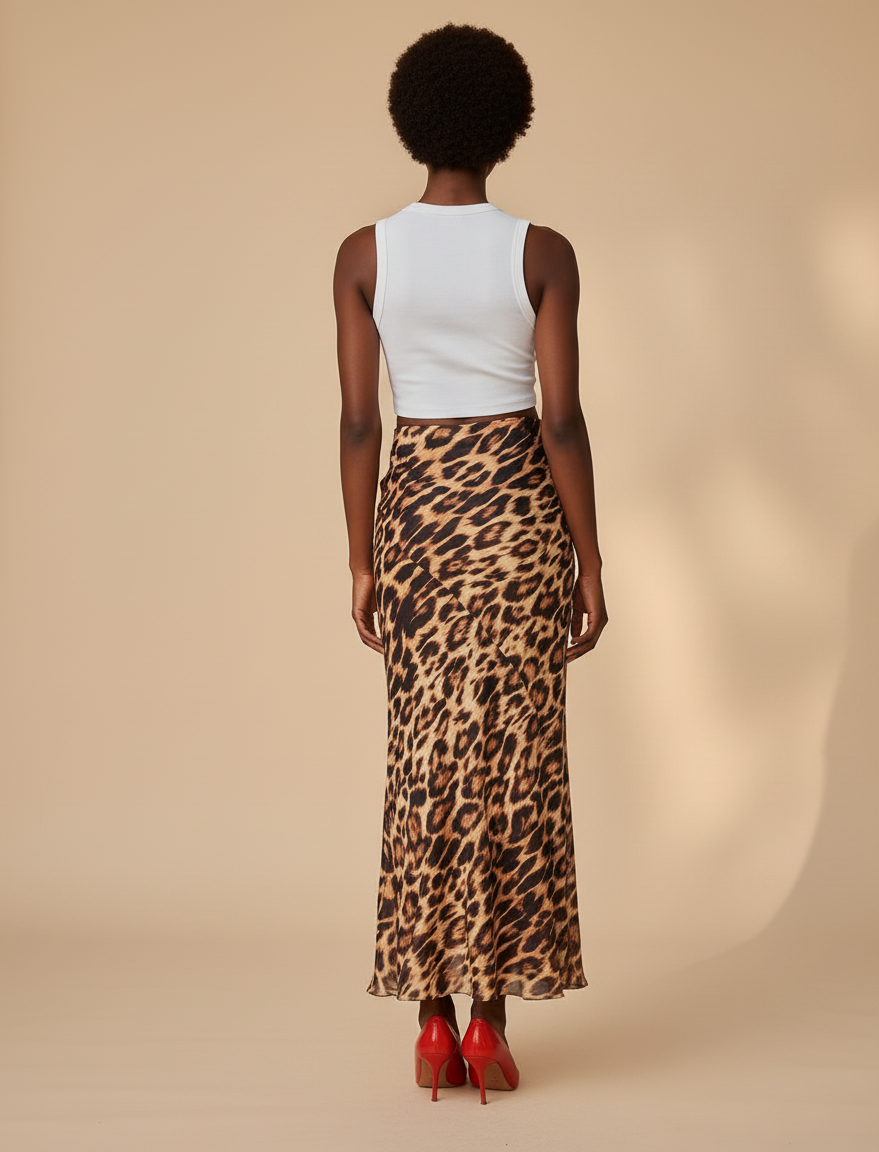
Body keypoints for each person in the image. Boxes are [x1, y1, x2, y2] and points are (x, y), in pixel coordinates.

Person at [333, 23, 607, 1104]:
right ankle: (490, 1016)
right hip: (517, 515)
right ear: (507, 125)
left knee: (424, 757)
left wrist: (360, 560)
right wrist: (589, 562)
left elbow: (361, 422)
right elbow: (562, 419)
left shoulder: (365, 254)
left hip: (416, 516)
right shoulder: (541, 252)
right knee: (512, 758)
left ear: (411, 122)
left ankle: (430, 1026)